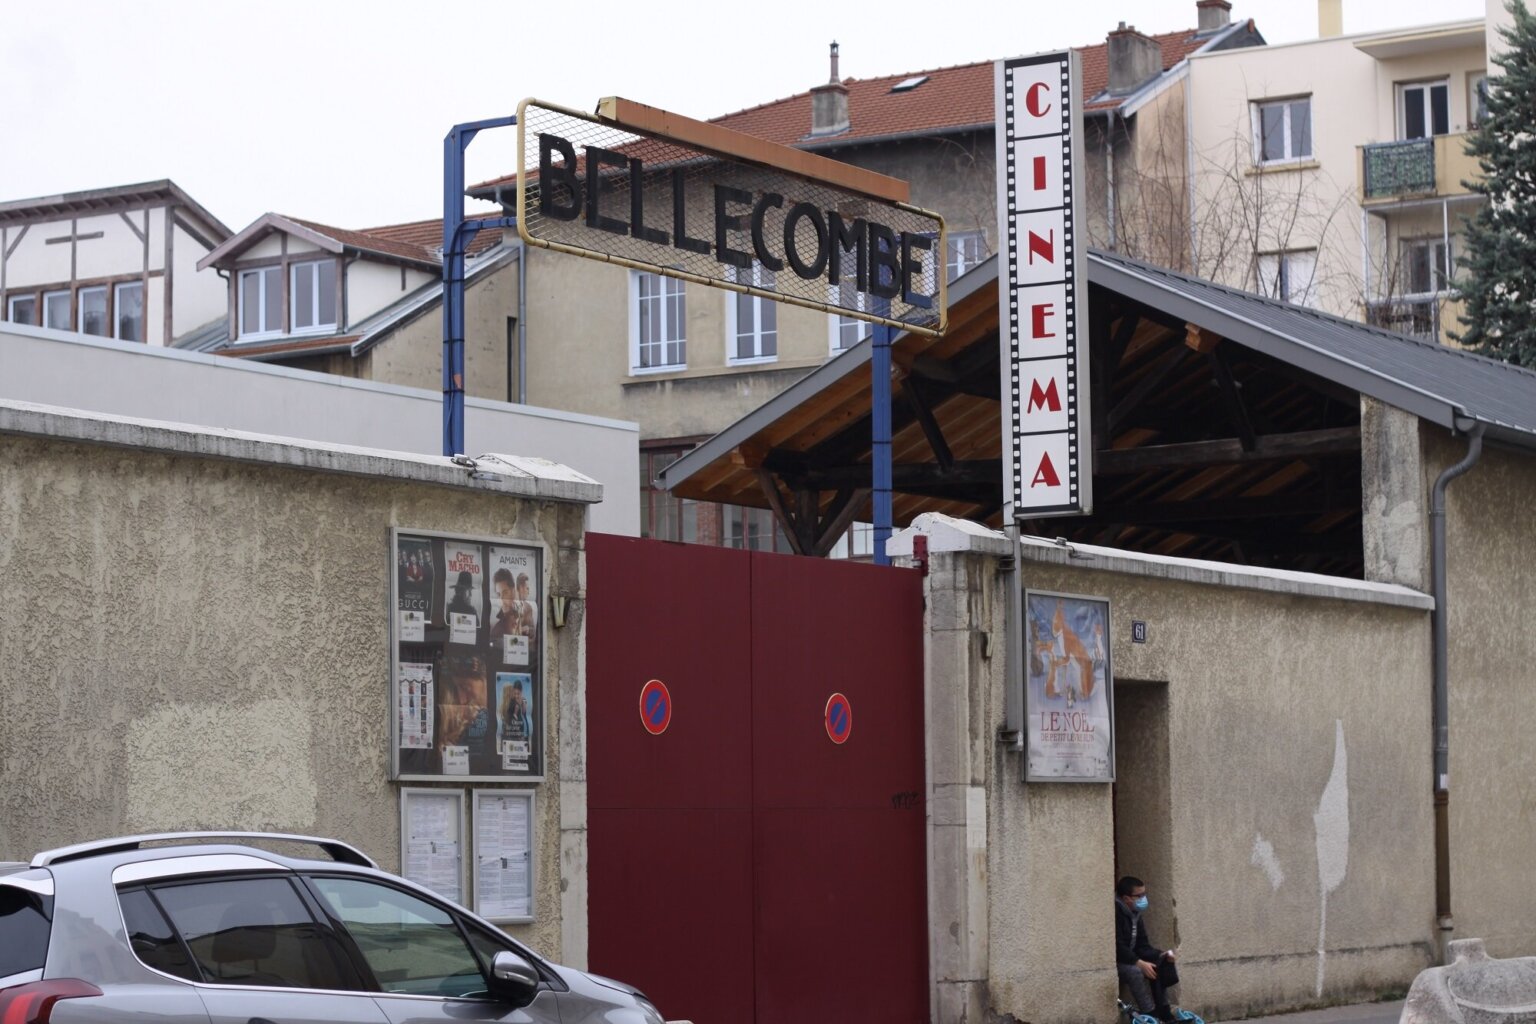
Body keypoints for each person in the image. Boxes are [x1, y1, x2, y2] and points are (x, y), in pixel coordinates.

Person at [1115, 875, 1181, 1023]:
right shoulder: (1115, 912)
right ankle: (1150, 1013)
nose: (1143, 899)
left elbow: (1142, 945)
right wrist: (1137, 962)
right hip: (1118, 961)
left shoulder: (1136, 913)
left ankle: (1164, 1010)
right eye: (1139, 895)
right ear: (1126, 898)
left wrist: (1161, 954)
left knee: (1159, 962)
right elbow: (1117, 946)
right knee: (1135, 972)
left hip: (1131, 957)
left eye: (1144, 894)